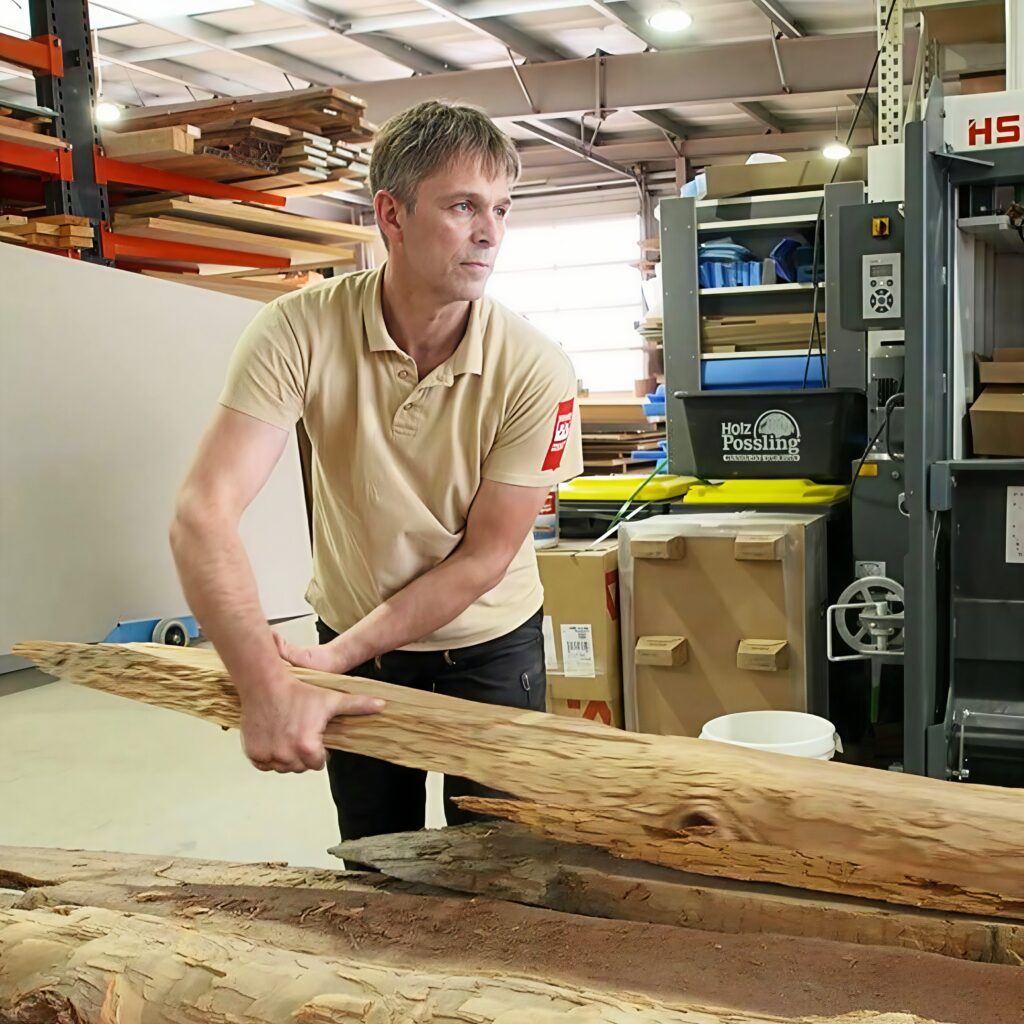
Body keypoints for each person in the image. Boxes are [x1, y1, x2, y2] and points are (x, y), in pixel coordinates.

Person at [170, 100, 583, 844]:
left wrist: (333, 658)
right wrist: (266, 684)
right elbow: (204, 513)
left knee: (502, 871)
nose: (490, 233)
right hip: (352, 632)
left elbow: (487, 556)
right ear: (391, 215)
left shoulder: (536, 368)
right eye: (463, 206)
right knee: (376, 863)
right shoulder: (298, 329)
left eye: (500, 209)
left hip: (487, 648)